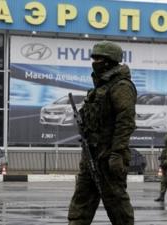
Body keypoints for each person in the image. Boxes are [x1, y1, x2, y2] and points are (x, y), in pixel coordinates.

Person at [67, 41, 137, 225]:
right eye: (94, 58)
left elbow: (126, 122)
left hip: (109, 156)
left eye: (99, 58)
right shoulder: (99, 88)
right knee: (80, 204)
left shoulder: (121, 87)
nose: (95, 62)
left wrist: (117, 153)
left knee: (117, 206)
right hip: (91, 154)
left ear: (110, 61)